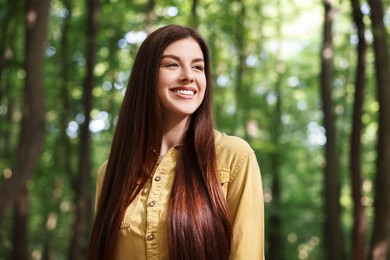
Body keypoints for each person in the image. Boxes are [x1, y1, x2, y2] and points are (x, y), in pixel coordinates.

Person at [87, 24, 264, 260]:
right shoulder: (110, 172)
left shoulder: (234, 157)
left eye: (198, 67)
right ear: (147, 76)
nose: (189, 76)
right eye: (172, 64)